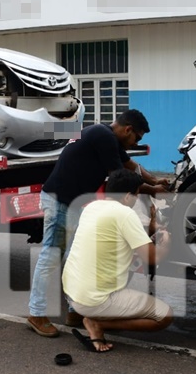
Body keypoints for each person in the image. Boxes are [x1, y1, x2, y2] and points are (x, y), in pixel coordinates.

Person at [26, 110, 168, 338]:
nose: (136, 143)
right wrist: (153, 190)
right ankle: (36, 313)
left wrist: (155, 180)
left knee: (74, 256)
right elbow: (120, 179)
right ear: (128, 129)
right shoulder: (103, 136)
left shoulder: (106, 133)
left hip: (73, 202)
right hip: (58, 199)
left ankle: (75, 311)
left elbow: (129, 164)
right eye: (137, 138)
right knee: (51, 256)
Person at [62, 169, 173, 353]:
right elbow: (153, 258)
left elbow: (117, 237)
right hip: (92, 300)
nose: (137, 200)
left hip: (72, 292)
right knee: (164, 316)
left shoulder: (91, 207)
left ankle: (96, 316)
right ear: (128, 196)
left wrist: (151, 229)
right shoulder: (125, 214)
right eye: (137, 195)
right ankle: (97, 323)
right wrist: (166, 241)